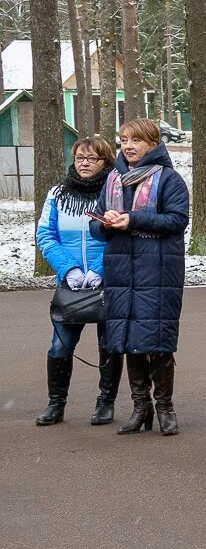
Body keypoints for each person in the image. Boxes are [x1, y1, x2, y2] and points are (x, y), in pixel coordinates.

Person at [95, 118, 189, 436]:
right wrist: (104, 222)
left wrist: (132, 219)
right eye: (123, 140)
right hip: (122, 271)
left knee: (158, 340)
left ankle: (165, 407)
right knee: (128, 339)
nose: (128, 146)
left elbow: (177, 220)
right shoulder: (112, 179)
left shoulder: (169, 179)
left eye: (136, 140)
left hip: (158, 271)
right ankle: (140, 406)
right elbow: (96, 225)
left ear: (152, 144)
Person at [35, 135, 121, 427]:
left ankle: (105, 403)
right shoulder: (57, 194)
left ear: (105, 161)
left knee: (108, 345)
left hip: (106, 281)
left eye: (92, 158)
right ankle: (55, 404)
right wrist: (69, 268)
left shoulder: (115, 192)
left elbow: (119, 236)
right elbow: (46, 235)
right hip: (69, 283)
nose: (85, 163)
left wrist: (100, 269)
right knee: (60, 346)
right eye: (80, 157)